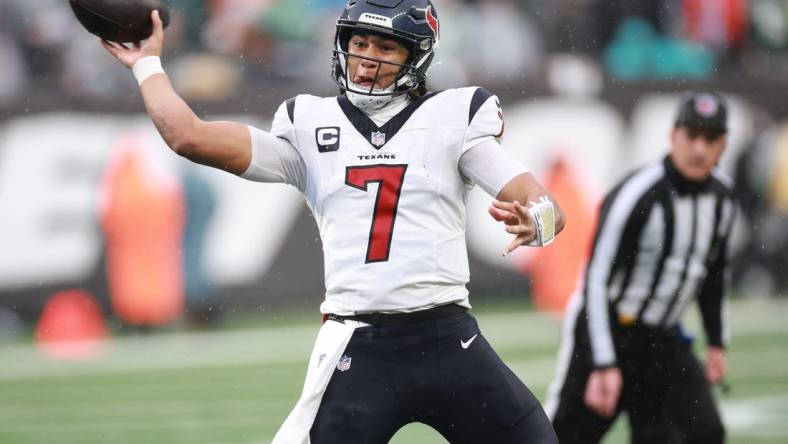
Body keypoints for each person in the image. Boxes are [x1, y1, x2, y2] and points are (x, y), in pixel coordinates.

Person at [100, 1, 565, 443]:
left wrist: (535, 221)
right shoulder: (310, 124)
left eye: (386, 47)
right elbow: (189, 137)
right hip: (359, 349)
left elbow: (545, 206)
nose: (367, 59)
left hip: (447, 337)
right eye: (360, 43)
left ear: (417, 56)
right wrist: (147, 64)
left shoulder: (452, 117)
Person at [545, 91, 735, 444]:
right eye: (691, 135)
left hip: (664, 338)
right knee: (565, 437)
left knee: (704, 431)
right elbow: (596, 280)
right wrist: (603, 361)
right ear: (673, 135)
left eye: (710, 138)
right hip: (609, 328)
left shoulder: (723, 199)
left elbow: (713, 274)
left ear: (723, 144)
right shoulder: (637, 193)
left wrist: (716, 342)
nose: (699, 149)